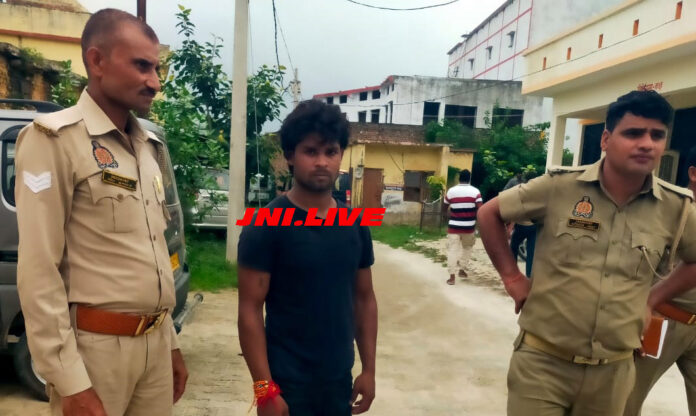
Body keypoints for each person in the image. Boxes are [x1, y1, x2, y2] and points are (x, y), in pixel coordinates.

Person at [477, 90, 696, 416]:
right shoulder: (559, 188)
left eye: (657, 135)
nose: (646, 144)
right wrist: (512, 278)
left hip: (613, 371)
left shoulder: (676, 208)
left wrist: (652, 299)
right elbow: (489, 214)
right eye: (633, 133)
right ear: (606, 139)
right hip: (543, 364)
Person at [15, 9, 187, 416]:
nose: (155, 81)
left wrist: (170, 346)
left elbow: (152, 253)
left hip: (155, 344)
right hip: (96, 352)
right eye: (142, 66)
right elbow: (39, 270)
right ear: (97, 61)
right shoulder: (54, 140)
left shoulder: (146, 146)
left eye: (156, 68)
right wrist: (69, 381)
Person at [237, 100, 378, 416]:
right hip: (286, 385)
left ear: (341, 155)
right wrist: (264, 390)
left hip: (338, 383)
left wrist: (369, 370)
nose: (322, 162)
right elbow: (249, 310)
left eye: (331, 151)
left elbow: (364, 298)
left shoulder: (355, 224)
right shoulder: (265, 225)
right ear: (290, 156)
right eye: (311, 152)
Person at [624, 146, 696, 416]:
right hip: (661, 321)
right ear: (693, 173)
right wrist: (636, 315)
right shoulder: (669, 211)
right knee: (624, 402)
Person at [443, 169, 482, 285]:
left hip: (453, 226)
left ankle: (452, 277)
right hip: (469, 227)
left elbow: (444, 207)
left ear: (459, 178)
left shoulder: (451, 191)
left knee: (452, 250)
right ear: (469, 178)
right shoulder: (475, 192)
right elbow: (480, 209)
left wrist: (448, 216)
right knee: (467, 248)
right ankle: (462, 270)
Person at [509, 171, 538, 277]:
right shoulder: (539, 192)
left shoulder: (521, 191)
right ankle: (529, 277)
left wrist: (510, 227)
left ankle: (513, 273)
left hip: (521, 225)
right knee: (531, 253)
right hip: (534, 227)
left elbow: (516, 210)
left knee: (513, 247)